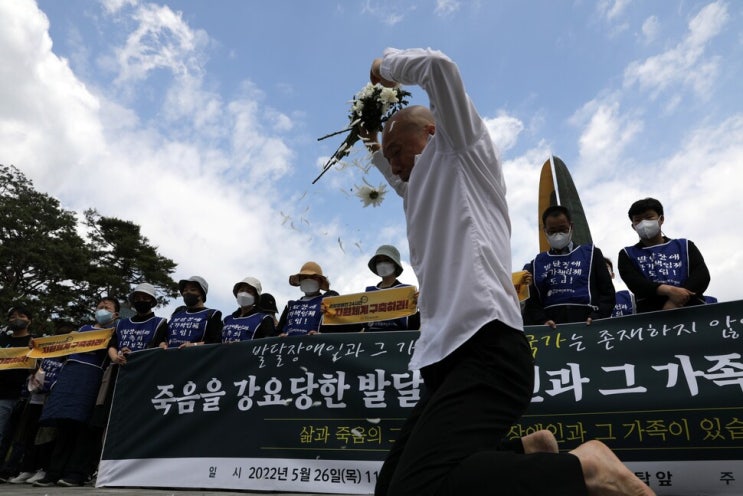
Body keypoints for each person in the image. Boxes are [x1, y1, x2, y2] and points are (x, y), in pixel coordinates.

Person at [364, 47, 654, 496]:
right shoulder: (423, 190)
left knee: (421, 488)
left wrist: (385, 65)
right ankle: (528, 451)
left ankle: (586, 470)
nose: (397, 163)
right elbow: (405, 184)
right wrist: (378, 149)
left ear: (432, 131)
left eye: (399, 150)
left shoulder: (462, 149)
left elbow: (439, 69)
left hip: (487, 344)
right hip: (443, 360)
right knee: (391, 489)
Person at [33, 297, 119, 487]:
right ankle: (53, 472)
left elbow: (113, 353)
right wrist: (39, 347)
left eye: (107, 307)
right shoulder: (80, 331)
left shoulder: (114, 332)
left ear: (116, 314)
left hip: (92, 380)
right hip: (69, 378)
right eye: (100, 306)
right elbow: (58, 350)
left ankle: (75, 473)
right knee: (63, 426)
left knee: (84, 428)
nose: (102, 309)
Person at [523, 206, 615, 327]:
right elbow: (532, 301)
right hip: (552, 327)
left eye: (562, 229)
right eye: (552, 231)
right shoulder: (536, 263)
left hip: (589, 323)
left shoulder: (592, 253)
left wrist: (598, 316)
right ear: (545, 230)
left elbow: (607, 292)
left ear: (571, 227)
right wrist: (542, 321)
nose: (558, 234)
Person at [618, 197, 710, 313]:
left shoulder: (685, 245)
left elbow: (701, 275)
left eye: (649, 217)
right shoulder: (627, 254)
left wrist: (677, 300)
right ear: (633, 226)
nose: (643, 223)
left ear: (661, 219)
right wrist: (668, 290)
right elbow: (635, 283)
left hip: (693, 311)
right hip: (652, 318)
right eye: (638, 220)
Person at [0, 306, 34, 481]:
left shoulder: (34, 342)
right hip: (3, 393)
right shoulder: (2, 339)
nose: (16, 319)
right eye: (12, 316)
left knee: (19, 436)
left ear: (30, 320)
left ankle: (9, 470)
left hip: (24, 395)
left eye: (21, 316)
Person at [363, 245, 419, 331]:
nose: (382, 264)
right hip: (370, 342)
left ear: (395, 264)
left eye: (386, 260)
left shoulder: (407, 292)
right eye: (379, 261)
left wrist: (421, 306)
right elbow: (358, 324)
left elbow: (414, 326)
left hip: (397, 342)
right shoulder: (368, 294)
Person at [276, 262, 337, 337]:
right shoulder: (290, 305)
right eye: (304, 277)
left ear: (320, 282)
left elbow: (337, 330)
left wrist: (322, 335)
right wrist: (279, 336)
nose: (308, 280)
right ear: (300, 281)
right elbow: (277, 331)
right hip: (289, 347)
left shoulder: (328, 302)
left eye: (313, 277)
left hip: (316, 347)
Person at [162, 276, 222, 348]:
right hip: (169, 356)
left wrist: (194, 345)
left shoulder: (212, 314)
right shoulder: (178, 311)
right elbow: (164, 335)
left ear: (201, 295)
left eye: (193, 290)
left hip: (195, 357)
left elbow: (216, 341)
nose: (188, 292)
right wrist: (162, 343)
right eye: (185, 290)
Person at [222, 277, 275, 342]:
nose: (244, 294)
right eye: (241, 290)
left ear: (255, 297)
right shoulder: (227, 320)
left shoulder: (264, 319)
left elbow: (269, 344)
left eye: (249, 291)